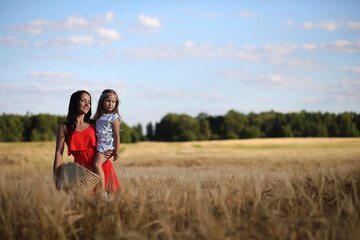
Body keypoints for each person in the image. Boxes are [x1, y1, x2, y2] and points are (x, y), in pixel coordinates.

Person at [53, 90, 121, 197]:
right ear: (75, 102)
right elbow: (58, 154)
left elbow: (109, 136)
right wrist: (56, 178)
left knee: (107, 208)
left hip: (101, 170)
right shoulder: (64, 127)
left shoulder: (94, 123)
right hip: (82, 176)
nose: (87, 104)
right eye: (83, 101)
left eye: (89, 102)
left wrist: (113, 150)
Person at [93, 89, 121, 199]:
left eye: (113, 102)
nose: (110, 104)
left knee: (97, 164)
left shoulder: (114, 118)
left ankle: (102, 192)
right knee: (97, 165)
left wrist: (116, 151)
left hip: (106, 145)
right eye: (108, 101)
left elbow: (116, 135)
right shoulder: (99, 116)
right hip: (99, 144)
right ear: (102, 102)